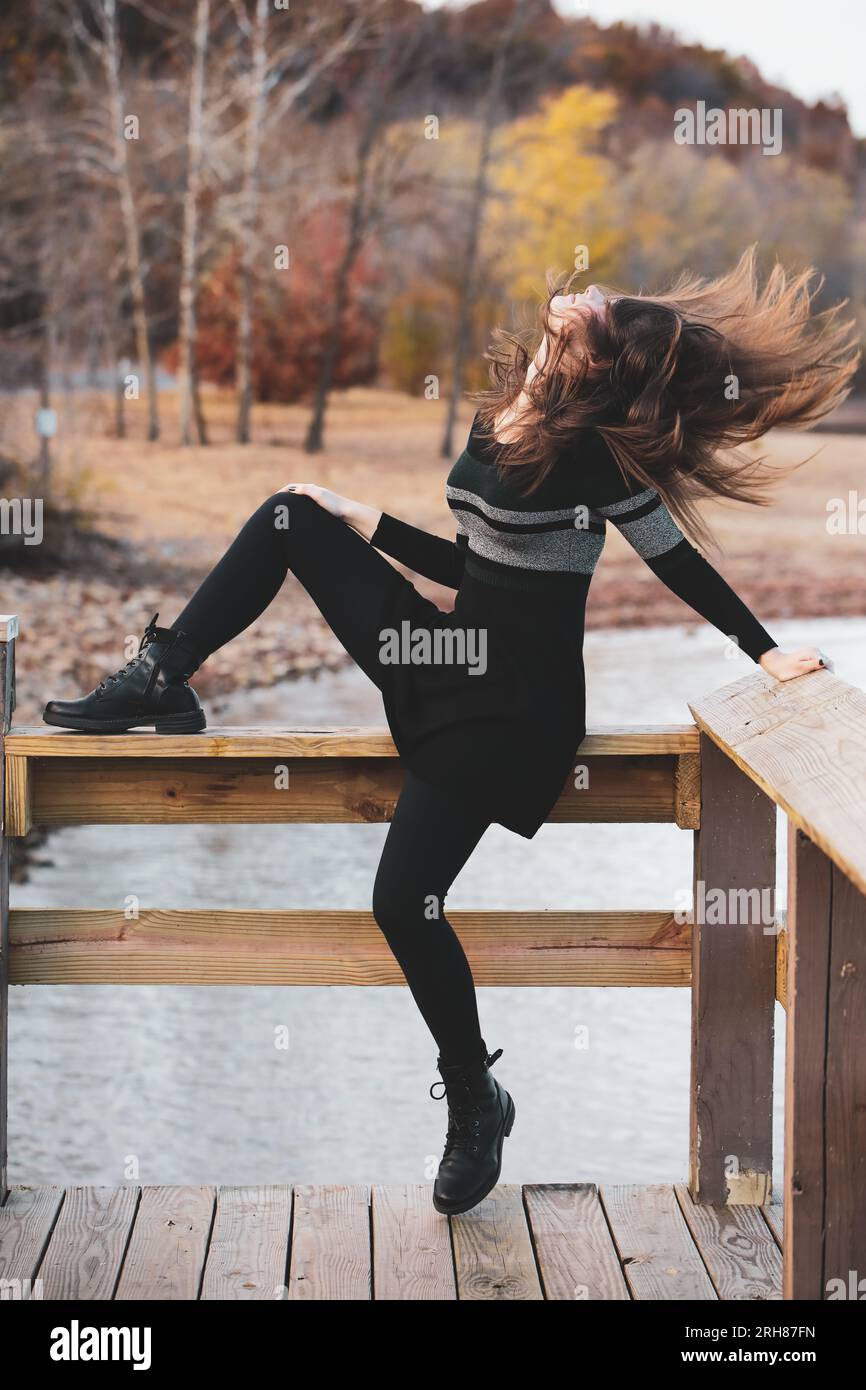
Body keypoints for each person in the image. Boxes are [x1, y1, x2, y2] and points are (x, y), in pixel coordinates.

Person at [43, 248, 858, 1215]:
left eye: (602, 311)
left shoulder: (595, 455)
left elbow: (676, 564)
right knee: (291, 515)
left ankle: (476, 1098)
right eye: (599, 295)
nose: (589, 293)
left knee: (402, 899)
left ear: (595, 358)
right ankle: (162, 678)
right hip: (447, 650)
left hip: (516, 705)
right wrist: (363, 519)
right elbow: (475, 565)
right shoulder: (499, 408)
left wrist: (762, 652)